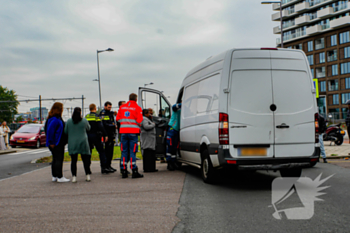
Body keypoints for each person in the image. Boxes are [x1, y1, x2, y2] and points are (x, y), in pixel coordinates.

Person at [116, 93, 144, 178]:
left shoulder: (122, 107)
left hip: (123, 132)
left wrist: (125, 122)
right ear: (136, 99)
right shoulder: (137, 108)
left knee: (124, 151)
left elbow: (118, 119)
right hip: (133, 132)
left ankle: (123, 170)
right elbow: (140, 121)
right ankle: (134, 170)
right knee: (133, 151)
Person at [64, 107, 92, 182]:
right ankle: (88, 175)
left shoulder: (69, 121)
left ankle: (74, 177)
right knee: (85, 160)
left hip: (73, 143)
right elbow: (89, 128)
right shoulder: (84, 120)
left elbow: (66, 131)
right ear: (80, 113)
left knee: (73, 161)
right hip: (83, 142)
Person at [46, 102, 70, 182]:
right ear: (59, 109)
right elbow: (50, 131)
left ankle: (54, 175)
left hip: (56, 142)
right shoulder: (56, 119)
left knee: (55, 159)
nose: (63, 110)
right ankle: (60, 176)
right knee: (59, 159)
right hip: (57, 143)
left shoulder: (51, 118)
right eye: (62, 108)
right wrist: (52, 142)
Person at [85, 104, 111, 174]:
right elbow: (101, 126)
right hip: (96, 136)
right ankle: (103, 168)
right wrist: (105, 134)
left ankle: (88, 169)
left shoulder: (86, 116)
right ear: (95, 108)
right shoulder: (97, 117)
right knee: (101, 152)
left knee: (88, 153)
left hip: (88, 136)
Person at [99, 101, 117, 172]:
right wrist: (113, 125)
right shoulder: (103, 114)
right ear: (105, 106)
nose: (110, 108)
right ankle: (105, 166)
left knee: (111, 151)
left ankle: (109, 165)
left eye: (110, 107)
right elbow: (104, 124)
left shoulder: (109, 113)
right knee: (107, 151)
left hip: (111, 134)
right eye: (108, 107)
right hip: (107, 134)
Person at [166, 103, 182, 171]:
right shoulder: (176, 109)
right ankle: (169, 163)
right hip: (172, 129)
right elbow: (173, 107)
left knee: (175, 147)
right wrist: (182, 104)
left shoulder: (182, 111)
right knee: (170, 146)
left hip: (177, 130)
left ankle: (173, 161)